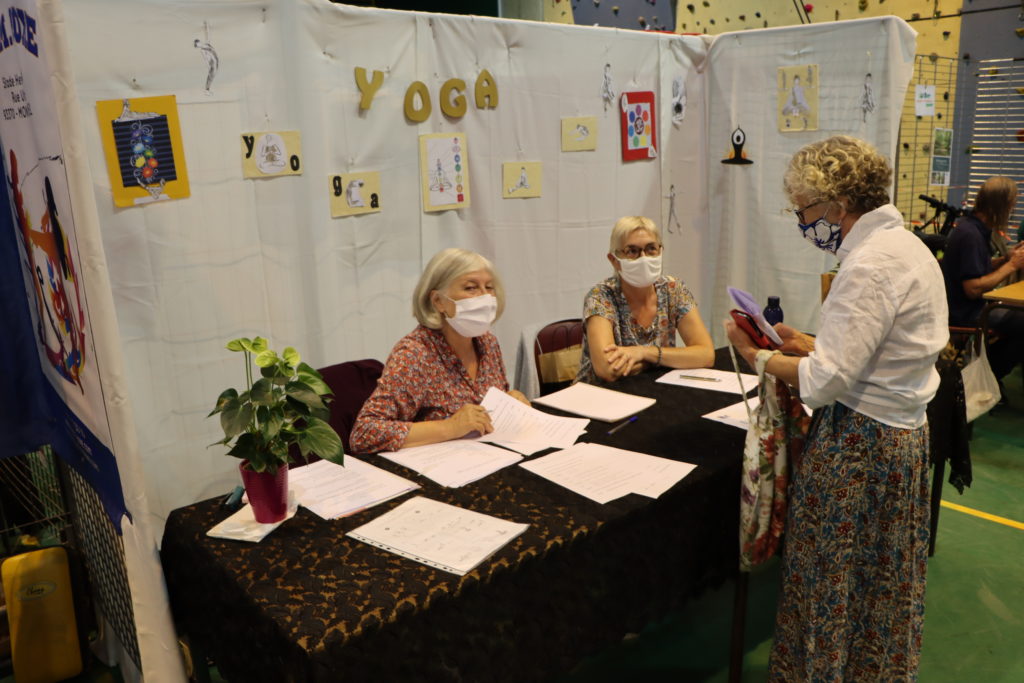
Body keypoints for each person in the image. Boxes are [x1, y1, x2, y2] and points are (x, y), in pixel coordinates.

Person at [725, 135, 948, 681]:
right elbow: (874, 351)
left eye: (804, 209)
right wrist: (805, 341)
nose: (803, 221)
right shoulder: (909, 248)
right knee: (878, 577)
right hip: (898, 438)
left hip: (859, 446)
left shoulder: (869, 265)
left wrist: (757, 356)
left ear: (836, 206)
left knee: (833, 574)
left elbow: (824, 384)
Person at [349, 248, 527, 454]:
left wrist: (510, 401)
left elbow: (485, 409)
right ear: (438, 301)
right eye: (471, 288)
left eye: (489, 287)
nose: (485, 297)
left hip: (490, 456)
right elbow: (364, 434)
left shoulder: (487, 341)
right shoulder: (415, 354)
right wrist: (450, 427)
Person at [576, 216, 714, 384]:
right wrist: (661, 361)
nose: (644, 258)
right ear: (614, 260)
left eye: (651, 249)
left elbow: (706, 355)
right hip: (598, 398)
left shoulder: (673, 289)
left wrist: (643, 353)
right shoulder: (600, 297)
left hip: (654, 388)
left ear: (661, 251)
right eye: (632, 251)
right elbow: (607, 370)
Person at [942, 175, 1024, 387]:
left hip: (972, 307)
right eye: (1011, 205)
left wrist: (1004, 259)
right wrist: (1012, 266)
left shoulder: (971, 228)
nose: (1012, 210)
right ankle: (984, 379)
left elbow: (977, 266)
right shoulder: (970, 235)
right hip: (966, 312)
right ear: (1001, 206)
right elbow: (972, 288)